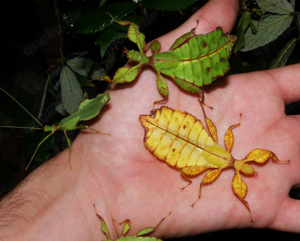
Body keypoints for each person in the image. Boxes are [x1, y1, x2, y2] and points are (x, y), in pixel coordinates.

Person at [1, 0, 300, 240]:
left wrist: (89, 179)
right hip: (177, 132)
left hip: (184, 138)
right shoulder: (222, 164)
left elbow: (199, 174)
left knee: (190, 171)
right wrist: (90, 179)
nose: (249, 167)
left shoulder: (216, 167)